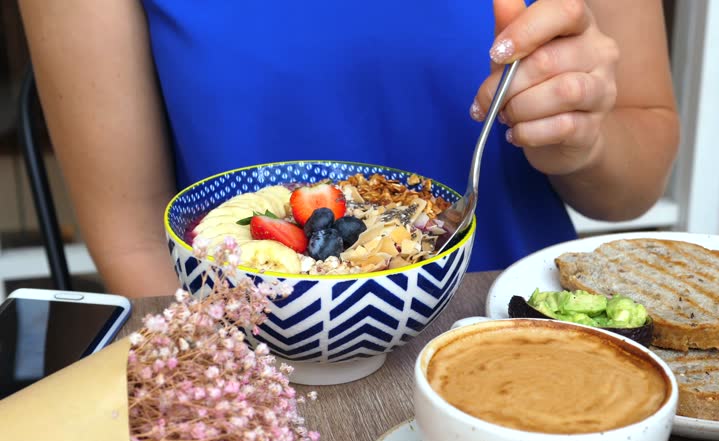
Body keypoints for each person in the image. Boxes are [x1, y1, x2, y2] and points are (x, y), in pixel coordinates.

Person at [19, 0, 679, 298]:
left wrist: (583, 137)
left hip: (527, 328)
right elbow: (135, 240)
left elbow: (636, 180)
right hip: (263, 366)